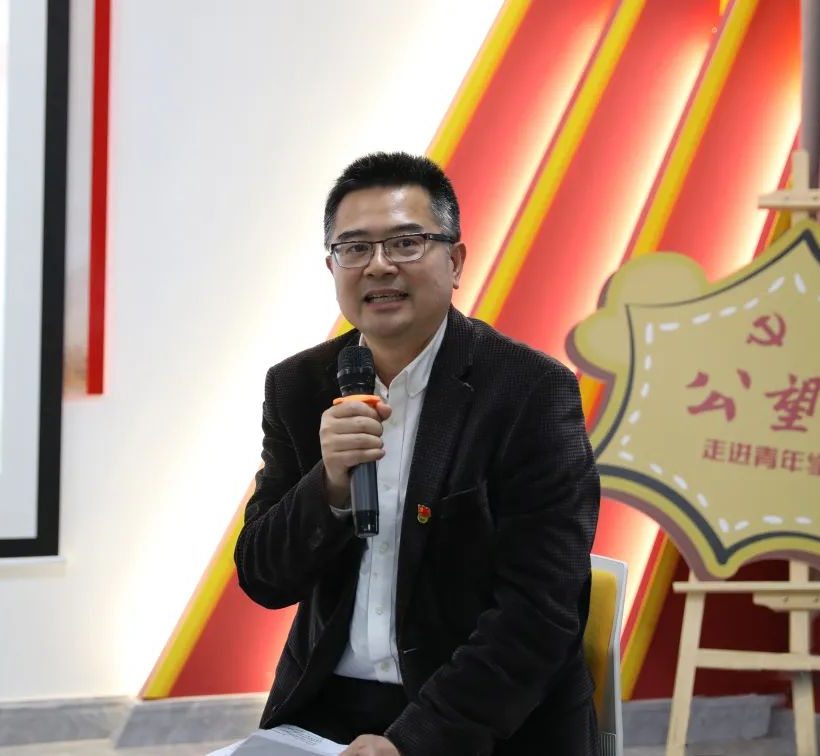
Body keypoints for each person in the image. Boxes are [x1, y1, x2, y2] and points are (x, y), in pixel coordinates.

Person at [233, 152, 600, 755]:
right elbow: (263, 578)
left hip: (480, 720)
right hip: (327, 711)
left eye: (406, 243)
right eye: (355, 248)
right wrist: (327, 486)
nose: (379, 265)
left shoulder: (530, 391)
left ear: (455, 261)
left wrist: (413, 743)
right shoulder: (298, 386)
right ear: (332, 266)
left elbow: (540, 612)